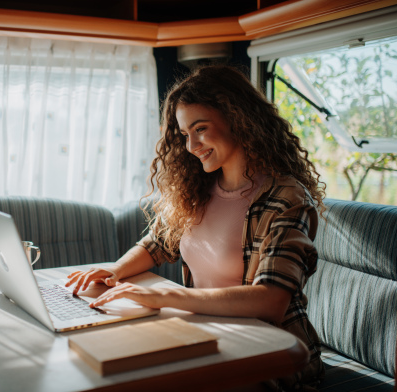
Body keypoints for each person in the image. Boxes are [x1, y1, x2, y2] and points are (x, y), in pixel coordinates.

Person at [66, 65, 326, 391]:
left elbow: (270, 300)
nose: (191, 145)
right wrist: (114, 271)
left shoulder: (285, 197)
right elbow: (158, 243)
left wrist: (164, 297)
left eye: (200, 128)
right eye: (185, 134)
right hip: (205, 334)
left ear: (239, 119)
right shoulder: (197, 188)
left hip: (271, 355)